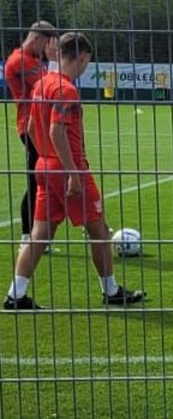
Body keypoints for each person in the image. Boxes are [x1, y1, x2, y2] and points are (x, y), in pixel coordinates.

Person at [5, 32, 147, 310]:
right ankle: (111, 291)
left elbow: (31, 127)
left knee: (39, 234)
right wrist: (71, 172)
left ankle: (15, 295)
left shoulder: (42, 84)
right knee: (99, 229)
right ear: (82, 57)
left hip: (44, 165)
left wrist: (46, 156)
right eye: (87, 62)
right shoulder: (66, 89)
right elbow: (55, 130)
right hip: (68, 169)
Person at [4, 21, 59, 252]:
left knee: (46, 179)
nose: (48, 50)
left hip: (41, 125)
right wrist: (54, 61)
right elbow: (49, 86)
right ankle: (28, 237)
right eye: (47, 44)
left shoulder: (33, 60)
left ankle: (36, 236)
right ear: (37, 39)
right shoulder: (19, 61)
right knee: (37, 181)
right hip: (30, 128)